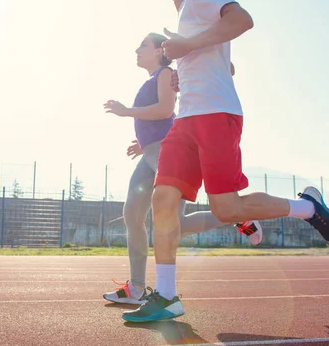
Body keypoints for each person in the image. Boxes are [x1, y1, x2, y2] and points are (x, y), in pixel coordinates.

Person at [122, 0, 329, 323]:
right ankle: (167, 296)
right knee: (162, 198)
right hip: (187, 120)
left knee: (227, 209)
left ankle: (308, 207)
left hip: (216, 114)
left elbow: (242, 21)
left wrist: (187, 47)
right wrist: (185, 71)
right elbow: (227, 64)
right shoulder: (188, 17)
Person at [103, 32, 262, 305]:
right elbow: (170, 117)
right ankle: (137, 288)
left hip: (166, 152)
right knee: (132, 213)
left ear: (157, 51)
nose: (137, 49)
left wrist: (126, 111)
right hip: (153, 151)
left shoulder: (165, 73)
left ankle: (236, 216)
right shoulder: (155, 79)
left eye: (143, 45)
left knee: (174, 225)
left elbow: (165, 110)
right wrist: (144, 144)